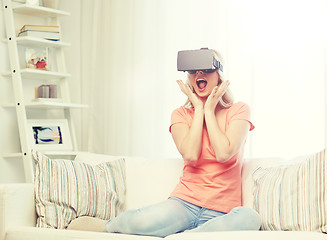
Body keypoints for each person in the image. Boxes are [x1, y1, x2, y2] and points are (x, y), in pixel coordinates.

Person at [68, 48, 261, 237]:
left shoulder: (239, 110)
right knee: (141, 221)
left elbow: (224, 153)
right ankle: (110, 226)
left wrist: (209, 111)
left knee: (250, 218)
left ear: (218, 74)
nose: (199, 73)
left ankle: (184, 236)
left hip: (222, 212)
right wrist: (199, 109)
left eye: (206, 68)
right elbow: (191, 155)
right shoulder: (180, 115)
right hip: (184, 204)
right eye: (193, 70)